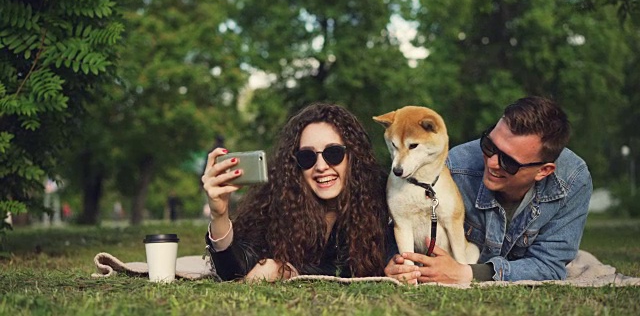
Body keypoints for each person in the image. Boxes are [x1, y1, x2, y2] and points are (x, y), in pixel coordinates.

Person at [385, 96, 593, 284]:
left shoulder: (573, 181)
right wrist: (395, 262)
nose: (492, 163)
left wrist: (468, 273)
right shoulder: (451, 168)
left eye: (508, 161)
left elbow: (549, 265)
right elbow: (402, 224)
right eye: (489, 146)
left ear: (544, 171)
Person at [201, 103, 397, 282]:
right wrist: (219, 215)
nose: (321, 166)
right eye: (307, 156)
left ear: (353, 156)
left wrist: (288, 271)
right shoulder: (279, 203)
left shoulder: (383, 200)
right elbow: (234, 271)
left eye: (333, 153)